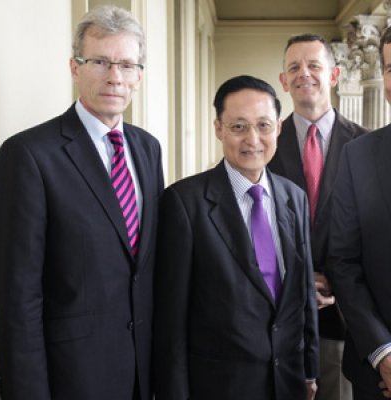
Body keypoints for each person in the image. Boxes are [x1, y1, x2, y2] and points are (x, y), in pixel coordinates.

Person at [0, 5, 164, 400]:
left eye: (126, 64)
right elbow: (18, 297)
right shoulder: (28, 155)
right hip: (71, 379)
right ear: (74, 67)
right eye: (100, 61)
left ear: (139, 75)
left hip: (142, 373)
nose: (114, 76)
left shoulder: (148, 149)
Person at [153, 75, 319, 400]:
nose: (253, 139)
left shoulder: (294, 198)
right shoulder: (184, 203)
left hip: (288, 381)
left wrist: (309, 371)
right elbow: (171, 320)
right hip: (219, 386)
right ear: (218, 128)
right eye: (238, 127)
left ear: (279, 128)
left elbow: (303, 296)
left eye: (264, 125)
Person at [268, 33, 368, 400]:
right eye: (294, 67)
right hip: (278, 318)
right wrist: (297, 279)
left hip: (344, 322)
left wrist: (336, 287)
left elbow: (373, 234)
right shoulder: (265, 144)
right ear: (283, 80)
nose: (303, 74)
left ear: (335, 75)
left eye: (314, 65)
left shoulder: (365, 146)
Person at [326, 26, 391, 400]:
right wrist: (383, 352)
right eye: (390, 67)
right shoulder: (359, 155)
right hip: (378, 373)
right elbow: (344, 260)